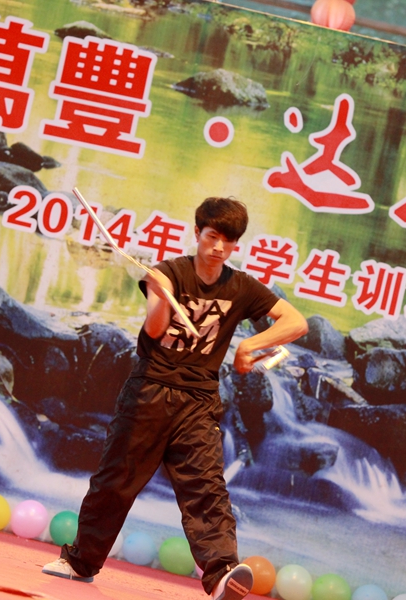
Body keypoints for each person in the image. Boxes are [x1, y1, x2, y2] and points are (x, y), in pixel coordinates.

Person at [42, 197, 309, 600]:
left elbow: (296, 322)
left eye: (228, 241)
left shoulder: (240, 286)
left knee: (206, 487)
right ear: (197, 233)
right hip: (149, 391)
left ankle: (222, 574)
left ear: (235, 245)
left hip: (199, 400)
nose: (218, 247)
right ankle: (81, 563)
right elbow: (153, 330)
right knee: (116, 481)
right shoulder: (168, 273)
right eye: (212, 236)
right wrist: (160, 295)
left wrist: (248, 347)